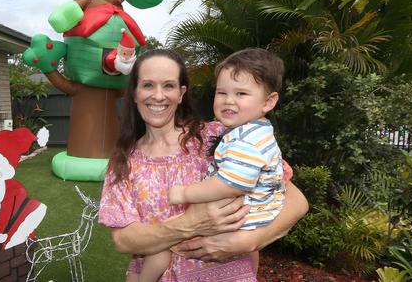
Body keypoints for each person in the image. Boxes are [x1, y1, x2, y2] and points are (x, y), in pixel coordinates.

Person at [98, 49, 308, 282]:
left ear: (181, 93)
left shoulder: (222, 136)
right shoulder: (123, 164)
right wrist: (187, 225)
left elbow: (296, 201)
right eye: (148, 85)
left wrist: (249, 240)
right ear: (135, 93)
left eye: (168, 86)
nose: (158, 96)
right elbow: (123, 240)